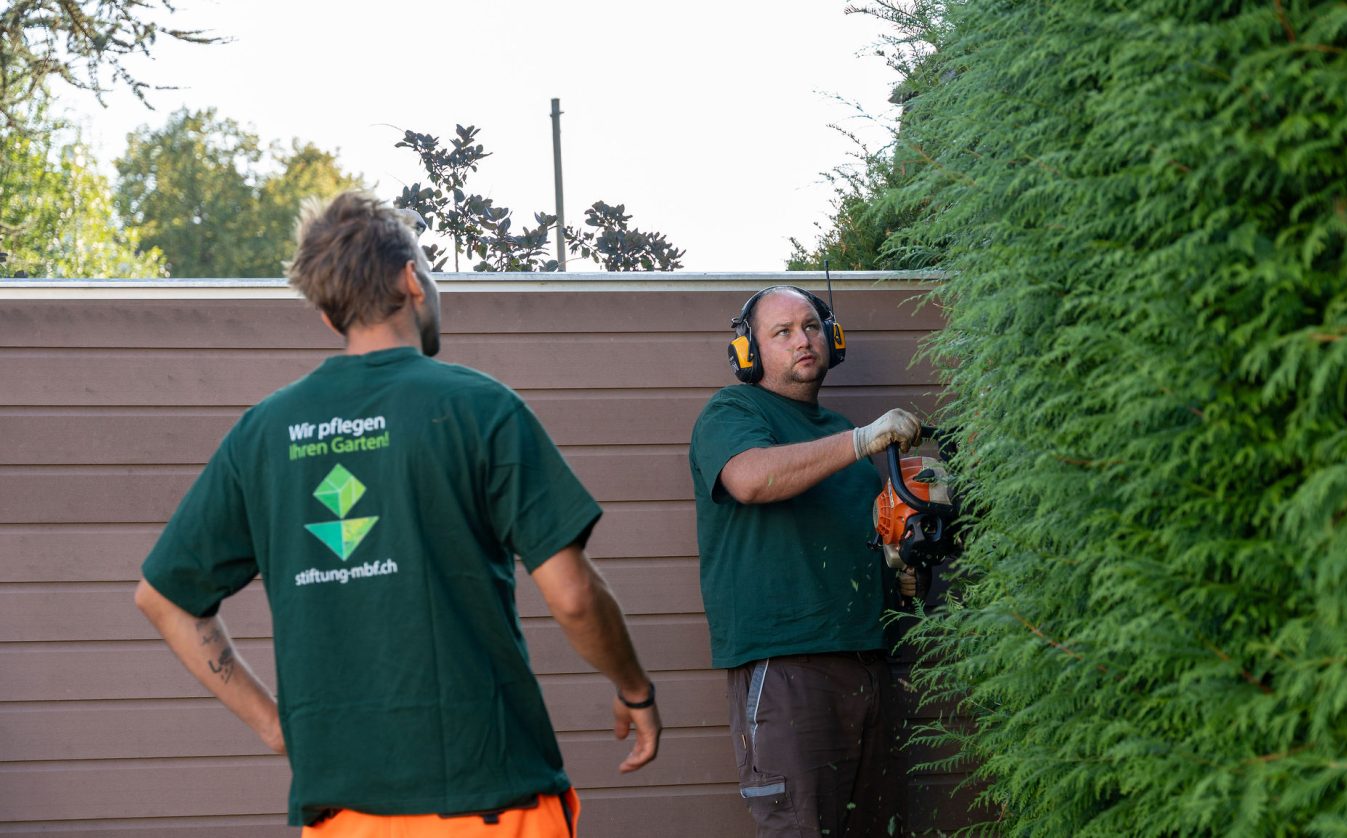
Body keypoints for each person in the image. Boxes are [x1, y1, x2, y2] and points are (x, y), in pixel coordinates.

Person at [133, 190, 661, 837]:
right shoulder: (479, 408)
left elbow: (164, 598)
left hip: (342, 814)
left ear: (331, 317)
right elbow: (573, 595)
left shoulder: (262, 434)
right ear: (413, 278)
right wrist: (634, 688)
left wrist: (278, 729)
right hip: (487, 801)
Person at [688, 284, 923, 837]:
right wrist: (865, 440)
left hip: (867, 663)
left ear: (833, 339)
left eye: (813, 327)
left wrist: (900, 570)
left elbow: (865, 538)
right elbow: (749, 479)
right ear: (748, 352)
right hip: (787, 668)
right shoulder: (732, 410)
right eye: (783, 331)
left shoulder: (841, 432)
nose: (803, 340)